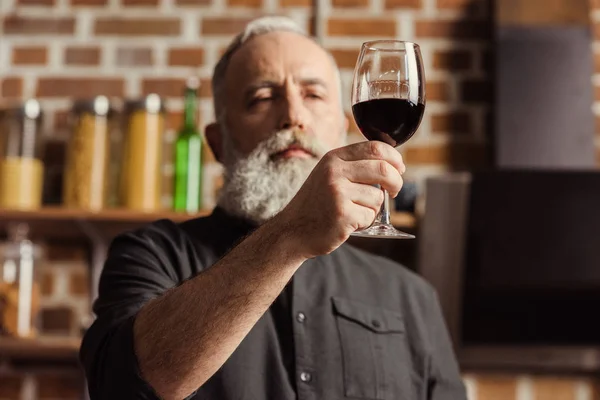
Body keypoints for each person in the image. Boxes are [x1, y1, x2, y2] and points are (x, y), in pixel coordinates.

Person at [80, 16, 467, 400]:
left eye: (313, 95)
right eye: (262, 98)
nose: (293, 117)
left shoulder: (413, 297)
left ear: (343, 128)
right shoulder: (152, 254)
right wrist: (290, 232)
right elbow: (122, 387)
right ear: (218, 142)